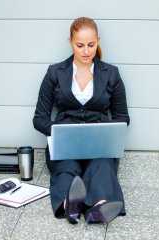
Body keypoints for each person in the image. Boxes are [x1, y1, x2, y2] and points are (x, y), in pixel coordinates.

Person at [33, 17, 130, 224]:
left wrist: (105, 133)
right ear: (70, 42)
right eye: (80, 45)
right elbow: (39, 119)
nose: (86, 51)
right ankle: (71, 206)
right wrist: (60, 132)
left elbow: (123, 117)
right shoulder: (54, 73)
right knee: (66, 167)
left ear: (98, 41)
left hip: (99, 144)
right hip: (65, 142)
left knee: (102, 164)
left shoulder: (111, 74)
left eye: (91, 45)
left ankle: (99, 207)